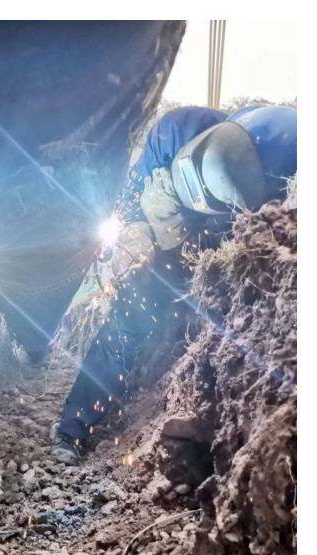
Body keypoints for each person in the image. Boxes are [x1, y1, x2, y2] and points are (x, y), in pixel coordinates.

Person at [51, 105, 298, 465]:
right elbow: (133, 191)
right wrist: (136, 228)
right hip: (158, 238)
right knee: (127, 321)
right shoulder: (176, 129)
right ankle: (72, 429)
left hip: (211, 250)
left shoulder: (278, 183)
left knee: (202, 335)